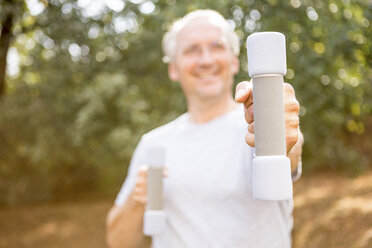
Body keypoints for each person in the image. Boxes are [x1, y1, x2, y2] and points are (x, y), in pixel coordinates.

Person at [106, 9, 304, 248]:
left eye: (217, 46)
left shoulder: (257, 124)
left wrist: (278, 129)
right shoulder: (153, 143)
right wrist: (137, 202)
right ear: (173, 68)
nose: (206, 60)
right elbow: (118, 243)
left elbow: (289, 150)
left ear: (233, 60)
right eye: (191, 50)